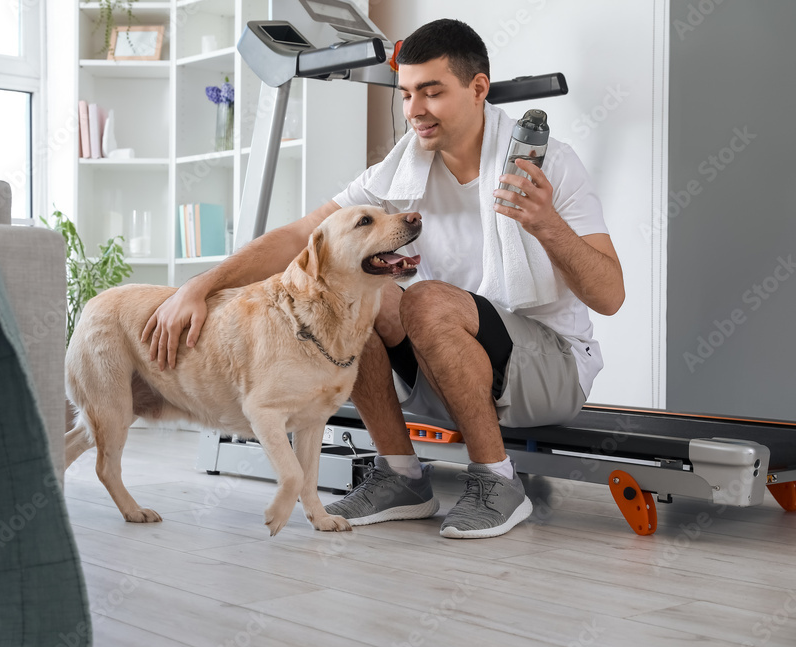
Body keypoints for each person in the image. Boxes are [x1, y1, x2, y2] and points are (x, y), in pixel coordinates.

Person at [143, 18, 624, 539]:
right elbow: (307, 236)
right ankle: (400, 475)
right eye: (406, 94)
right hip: (448, 361)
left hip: (549, 366)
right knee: (355, 294)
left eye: (432, 92)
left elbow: (610, 296)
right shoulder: (401, 170)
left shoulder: (550, 164)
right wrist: (200, 286)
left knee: (425, 302)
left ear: (478, 89)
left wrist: (546, 223)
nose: (415, 110)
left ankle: (497, 481)